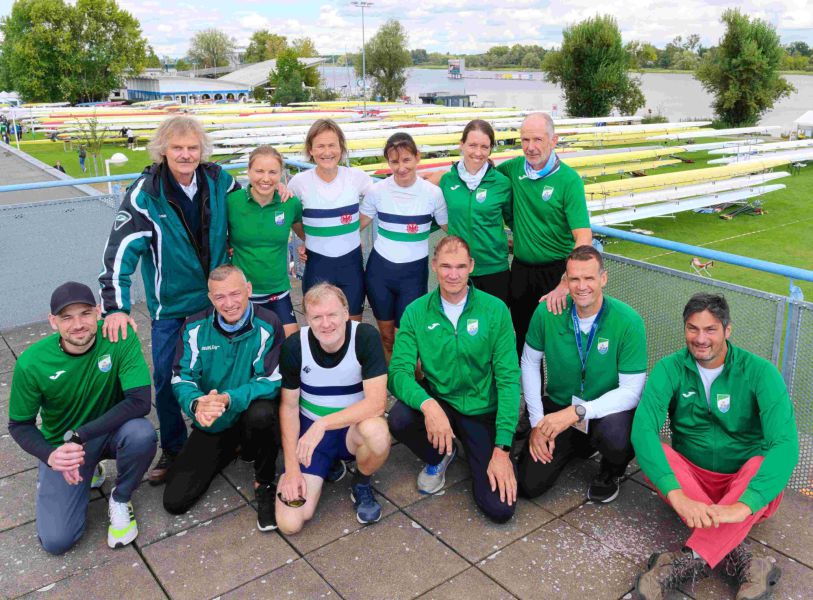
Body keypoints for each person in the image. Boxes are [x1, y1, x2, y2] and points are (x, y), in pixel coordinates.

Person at [99, 115, 239, 485]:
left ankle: (224, 434)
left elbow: (251, 204)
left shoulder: (219, 180)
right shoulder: (145, 194)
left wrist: (279, 193)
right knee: (165, 377)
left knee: (222, 370)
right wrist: (115, 308)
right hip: (171, 308)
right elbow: (120, 252)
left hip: (216, 301)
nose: (186, 154)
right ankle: (174, 447)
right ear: (163, 150)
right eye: (177, 147)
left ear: (202, 151)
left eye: (193, 147)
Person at [631, 293, 799, 600]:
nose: (700, 338)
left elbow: (785, 442)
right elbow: (643, 431)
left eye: (710, 329)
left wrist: (743, 505)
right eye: (693, 328)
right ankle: (746, 561)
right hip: (691, 485)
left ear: (727, 329)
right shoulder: (669, 368)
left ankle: (682, 563)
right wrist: (677, 495)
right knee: (661, 453)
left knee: (760, 463)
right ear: (684, 328)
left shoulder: (760, 372)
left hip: (743, 486)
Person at [7, 282, 156, 554]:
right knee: (57, 541)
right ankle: (88, 468)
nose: (78, 324)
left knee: (142, 434)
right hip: (63, 446)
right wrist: (51, 456)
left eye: (85, 313)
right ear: (53, 322)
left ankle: (120, 498)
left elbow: (140, 401)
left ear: (98, 312)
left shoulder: (119, 337)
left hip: (110, 432)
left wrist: (80, 435)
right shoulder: (31, 363)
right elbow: (19, 425)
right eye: (67, 317)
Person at [388, 235, 520, 523]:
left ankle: (474, 448)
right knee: (399, 418)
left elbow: (509, 379)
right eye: (446, 266)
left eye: (460, 266)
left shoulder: (495, 309)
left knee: (499, 508)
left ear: (471, 266)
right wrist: (429, 406)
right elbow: (398, 373)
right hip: (441, 400)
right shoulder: (416, 312)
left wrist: (502, 449)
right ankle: (440, 455)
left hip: (482, 409)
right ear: (434, 265)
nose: (453, 274)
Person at [517, 245, 647, 503]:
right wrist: (537, 423)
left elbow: (632, 392)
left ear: (603, 278)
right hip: (561, 404)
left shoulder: (629, 321)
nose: (582, 286)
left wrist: (576, 412)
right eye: (574, 279)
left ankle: (611, 471)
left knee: (617, 438)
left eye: (589, 278)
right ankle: (579, 444)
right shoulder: (547, 311)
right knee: (529, 485)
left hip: (606, 412)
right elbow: (529, 362)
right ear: (566, 280)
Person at [164, 265, 283, 531]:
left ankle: (264, 482)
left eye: (235, 293)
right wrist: (197, 404)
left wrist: (229, 398)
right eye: (220, 297)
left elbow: (272, 380)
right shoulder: (194, 326)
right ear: (210, 298)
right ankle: (232, 447)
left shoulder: (268, 323)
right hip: (214, 419)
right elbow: (181, 377)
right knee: (175, 501)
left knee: (263, 413)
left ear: (248, 289)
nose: (229, 304)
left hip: (249, 412)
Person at [275, 283, 390, 533]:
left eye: (332, 315)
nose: (326, 324)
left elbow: (377, 403)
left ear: (346, 313)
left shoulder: (365, 337)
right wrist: (292, 469)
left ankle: (361, 482)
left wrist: (323, 424)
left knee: (378, 432)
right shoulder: (295, 346)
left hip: (351, 429)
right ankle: (329, 464)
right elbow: (289, 407)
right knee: (290, 523)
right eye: (317, 317)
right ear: (307, 319)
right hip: (312, 435)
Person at [496, 112, 592, 355]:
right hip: (521, 271)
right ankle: (529, 382)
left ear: (553, 140)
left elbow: (584, 238)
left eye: (538, 139)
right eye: (525, 140)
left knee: (560, 342)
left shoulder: (569, 180)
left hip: (556, 272)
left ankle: (560, 383)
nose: (530, 147)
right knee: (523, 339)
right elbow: (479, 172)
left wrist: (566, 282)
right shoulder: (513, 168)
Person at [360, 132, 448, 360]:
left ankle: (412, 378)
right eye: (394, 161)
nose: (401, 168)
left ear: (417, 157)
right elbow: (355, 226)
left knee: (407, 339)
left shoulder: (433, 193)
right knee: (387, 337)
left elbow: (452, 229)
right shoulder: (377, 191)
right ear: (388, 162)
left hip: (413, 276)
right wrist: (309, 241)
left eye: (407, 159)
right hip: (380, 273)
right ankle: (394, 380)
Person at [287, 119, 375, 321]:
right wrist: (309, 238)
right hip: (317, 266)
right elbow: (292, 216)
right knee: (319, 327)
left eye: (332, 145)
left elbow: (378, 201)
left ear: (341, 148)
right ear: (310, 149)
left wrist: (351, 231)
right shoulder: (299, 182)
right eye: (320, 146)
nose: (327, 152)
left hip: (351, 267)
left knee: (352, 328)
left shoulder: (357, 177)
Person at [427, 119, 513, 305]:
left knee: (494, 322)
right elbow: (432, 215)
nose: (478, 152)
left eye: (484, 147)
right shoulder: (447, 180)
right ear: (462, 145)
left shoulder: (502, 183)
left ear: (491, 149)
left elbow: (514, 221)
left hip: (494, 270)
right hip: (457, 270)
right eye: (472, 145)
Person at [227, 145, 303, 338]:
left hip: (277, 292)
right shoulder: (231, 202)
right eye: (259, 171)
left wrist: (307, 247)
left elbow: (305, 234)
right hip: (241, 294)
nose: (266, 178)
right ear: (249, 171)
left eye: (272, 172)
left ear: (281, 174)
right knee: (246, 348)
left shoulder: (290, 203)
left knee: (293, 345)